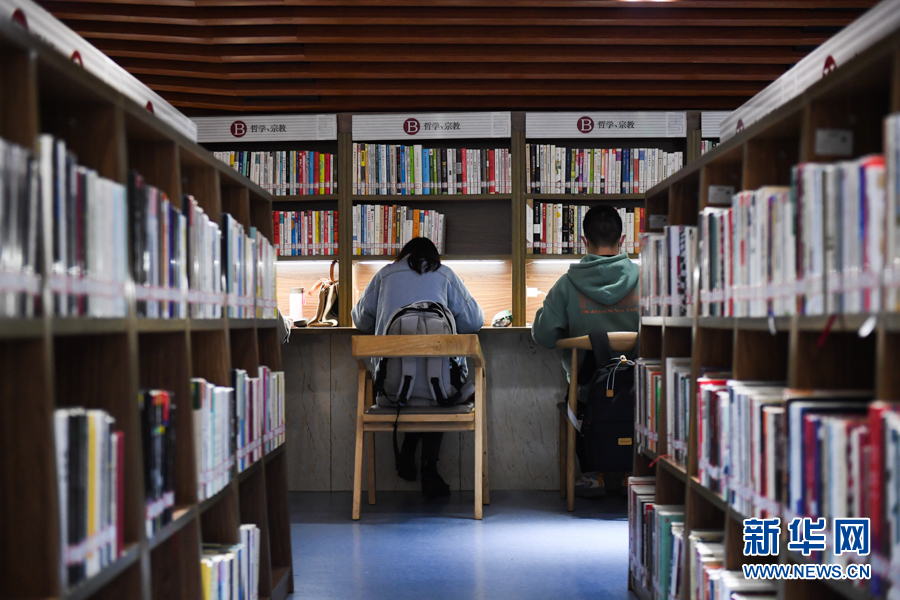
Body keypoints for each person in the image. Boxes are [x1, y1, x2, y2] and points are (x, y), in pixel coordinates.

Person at [351, 237, 484, 498]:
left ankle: (410, 445)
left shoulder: (384, 275)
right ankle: (429, 468)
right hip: (441, 394)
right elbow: (474, 322)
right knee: (439, 380)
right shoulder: (445, 275)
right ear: (435, 258)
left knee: (415, 378)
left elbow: (359, 320)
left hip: (391, 393)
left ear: (402, 256)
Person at [531, 205, 640, 495]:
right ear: (624, 238)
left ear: (584, 241)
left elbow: (542, 335)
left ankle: (595, 472)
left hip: (588, 394)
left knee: (576, 398)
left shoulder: (567, 285)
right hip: (641, 392)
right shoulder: (646, 280)